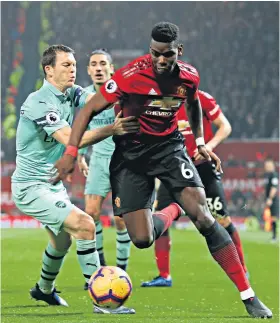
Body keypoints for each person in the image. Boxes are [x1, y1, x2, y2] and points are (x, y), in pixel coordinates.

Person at [53, 23, 272, 318]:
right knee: (142, 239)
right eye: (155, 53)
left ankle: (249, 296)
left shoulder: (189, 76)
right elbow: (89, 109)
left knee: (205, 218)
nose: (160, 60)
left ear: (177, 51)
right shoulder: (130, 75)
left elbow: (193, 103)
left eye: (166, 54)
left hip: (170, 149)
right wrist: (70, 152)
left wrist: (202, 142)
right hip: (131, 156)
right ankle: (173, 210)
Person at [11, 44, 138, 314]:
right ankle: (102, 301)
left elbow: (100, 97)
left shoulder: (71, 93)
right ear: (49, 70)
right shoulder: (39, 101)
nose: (73, 69)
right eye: (66, 65)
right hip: (30, 186)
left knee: (62, 241)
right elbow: (70, 139)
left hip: (52, 185)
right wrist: (111, 129)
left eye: (74, 65)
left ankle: (43, 290)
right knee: (85, 224)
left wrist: (135, 87)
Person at [141, 90, 249, 287]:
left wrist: (209, 146)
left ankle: (242, 269)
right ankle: (164, 275)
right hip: (174, 168)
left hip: (203, 167)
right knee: (161, 218)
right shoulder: (163, 102)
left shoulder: (202, 98)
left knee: (221, 219)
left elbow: (225, 126)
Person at [78, 49, 132, 290]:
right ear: (88, 70)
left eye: (102, 64)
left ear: (111, 68)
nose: (98, 68)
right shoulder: (84, 96)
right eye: (93, 64)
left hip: (123, 161)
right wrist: (80, 156)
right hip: (99, 159)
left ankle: (121, 270)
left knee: (121, 220)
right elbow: (79, 126)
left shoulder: (123, 93)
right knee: (90, 212)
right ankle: (99, 267)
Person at [263, 157, 279, 242]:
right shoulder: (267, 175)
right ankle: (274, 236)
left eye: (268, 165)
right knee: (272, 218)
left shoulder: (274, 175)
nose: (267, 167)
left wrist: (270, 198)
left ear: (272, 165)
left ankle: (275, 236)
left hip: (274, 199)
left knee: (274, 217)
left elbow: (274, 188)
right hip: (270, 199)